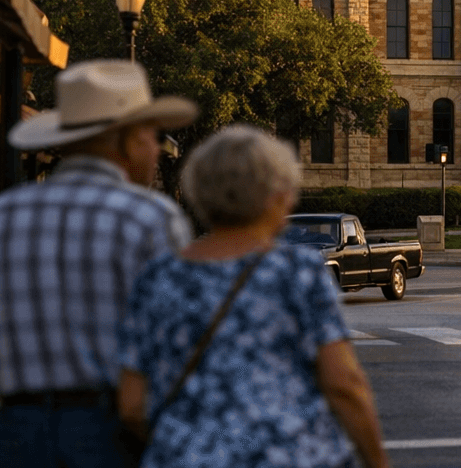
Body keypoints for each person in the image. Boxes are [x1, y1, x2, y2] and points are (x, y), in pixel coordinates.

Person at [0, 60, 198, 468]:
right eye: (152, 135)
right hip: (116, 431)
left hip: (21, 429)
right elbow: (177, 348)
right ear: (124, 140)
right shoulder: (151, 219)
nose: (158, 149)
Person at [117, 125, 388, 468]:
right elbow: (343, 385)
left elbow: (131, 405)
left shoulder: (157, 277)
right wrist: (377, 460)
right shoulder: (296, 272)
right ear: (276, 195)